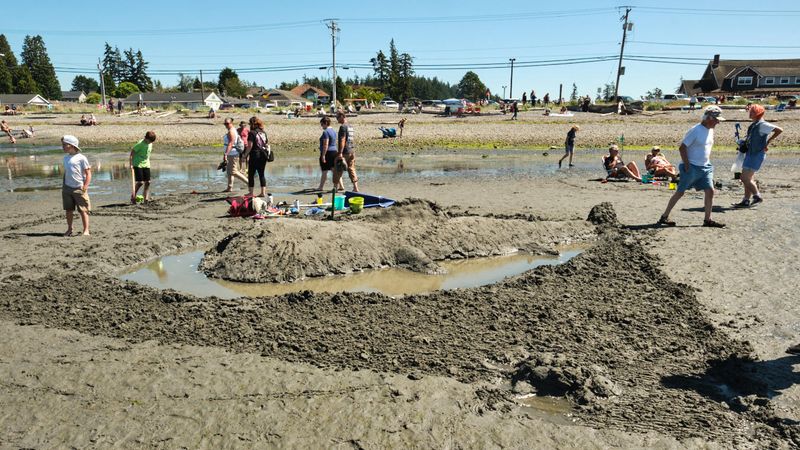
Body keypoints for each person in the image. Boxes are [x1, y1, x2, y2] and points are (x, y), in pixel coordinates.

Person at [657, 105, 726, 228]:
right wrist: (687, 165)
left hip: (705, 167)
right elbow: (682, 147)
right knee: (680, 192)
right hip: (692, 167)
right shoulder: (696, 130)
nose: (718, 123)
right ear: (709, 118)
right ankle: (664, 216)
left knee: (710, 191)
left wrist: (707, 162)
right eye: (716, 120)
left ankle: (707, 220)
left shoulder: (710, 130)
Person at [732, 104, 783, 208]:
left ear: (758, 113)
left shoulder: (763, 125)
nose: (750, 113)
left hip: (756, 155)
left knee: (744, 178)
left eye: (752, 112)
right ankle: (746, 200)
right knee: (748, 178)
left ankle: (757, 196)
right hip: (751, 154)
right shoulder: (755, 124)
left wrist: (769, 141)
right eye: (750, 111)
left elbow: (779, 130)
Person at [61, 135, 92, 236]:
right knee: (68, 209)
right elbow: (67, 172)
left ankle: (86, 230)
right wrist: (64, 185)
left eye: (64, 145)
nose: (63, 147)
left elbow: (88, 173)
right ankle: (69, 228)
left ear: (72, 146)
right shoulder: (65, 158)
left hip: (79, 187)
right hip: (67, 187)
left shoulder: (81, 158)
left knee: (83, 210)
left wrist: (85, 186)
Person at [333, 111, 359, 192]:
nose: (337, 120)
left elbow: (343, 139)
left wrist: (340, 152)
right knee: (351, 168)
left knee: (337, 169)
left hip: (345, 151)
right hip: (352, 150)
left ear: (342, 116)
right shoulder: (350, 126)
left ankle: (335, 188)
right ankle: (355, 187)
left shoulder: (343, 127)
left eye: (337, 117)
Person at [221, 118, 248, 192]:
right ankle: (230, 187)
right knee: (229, 171)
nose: (226, 125)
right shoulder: (232, 130)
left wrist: (225, 154)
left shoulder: (231, 131)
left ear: (231, 123)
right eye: (225, 123)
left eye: (227, 123)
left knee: (233, 171)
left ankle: (249, 183)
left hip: (232, 153)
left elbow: (231, 143)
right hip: (231, 153)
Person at [245, 116, 269, 197]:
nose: (249, 125)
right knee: (261, 174)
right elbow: (266, 144)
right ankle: (263, 192)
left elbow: (249, 146)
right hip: (263, 155)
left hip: (254, 155)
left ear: (252, 124)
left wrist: (245, 155)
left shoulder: (252, 133)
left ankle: (251, 193)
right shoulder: (263, 132)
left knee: (251, 174)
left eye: (250, 124)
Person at [130, 131, 156, 203]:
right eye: (150, 141)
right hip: (138, 164)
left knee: (148, 182)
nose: (150, 143)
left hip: (146, 164)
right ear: (146, 139)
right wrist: (131, 164)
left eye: (151, 142)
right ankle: (133, 196)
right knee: (140, 182)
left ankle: (146, 198)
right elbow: (132, 152)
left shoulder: (150, 143)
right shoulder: (140, 144)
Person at [317, 116, 338, 191]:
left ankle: (321, 187)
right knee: (334, 170)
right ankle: (338, 186)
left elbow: (326, 144)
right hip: (334, 151)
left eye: (322, 124)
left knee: (325, 171)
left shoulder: (326, 132)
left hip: (328, 153)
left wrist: (323, 155)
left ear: (325, 123)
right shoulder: (333, 131)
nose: (321, 126)